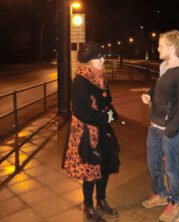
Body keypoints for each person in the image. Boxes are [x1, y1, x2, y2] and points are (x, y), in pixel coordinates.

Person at [141, 30, 179, 222]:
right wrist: (149, 93)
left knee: (171, 168)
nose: (158, 49)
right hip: (154, 124)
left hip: (169, 129)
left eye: (161, 45)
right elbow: (158, 88)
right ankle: (160, 193)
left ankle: (174, 201)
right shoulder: (165, 66)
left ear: (172, 47)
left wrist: (171, 130)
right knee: (153, 163)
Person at [63, 41, 120, 222]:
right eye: (99, 57)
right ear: (89, 61)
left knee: (105, 167)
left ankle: (101, 200)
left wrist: (112, 114)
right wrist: (106, 117)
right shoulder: (81, 81)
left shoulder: (100, 77)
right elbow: (81, 111)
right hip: (87, 134)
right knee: (91, 171)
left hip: (103, 130)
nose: (103, 60)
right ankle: (88, 206)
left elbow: (107, 100)